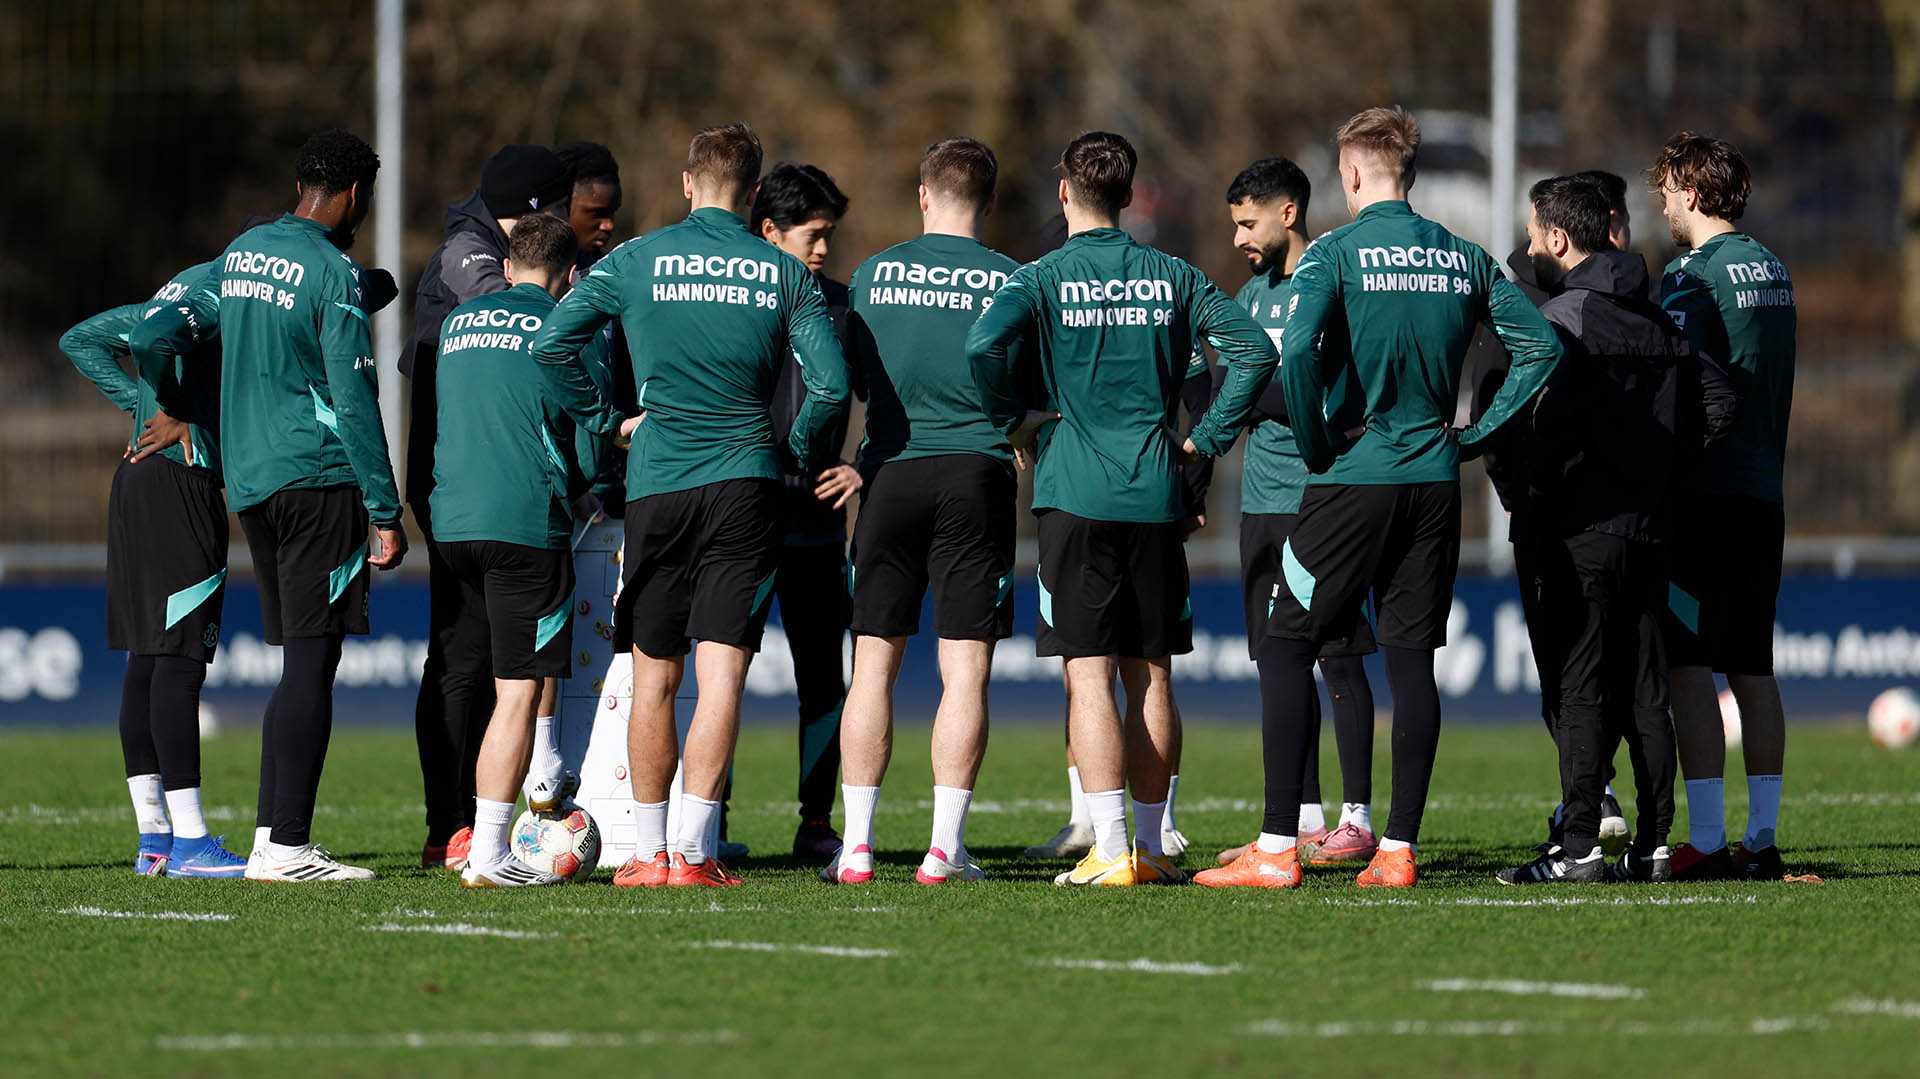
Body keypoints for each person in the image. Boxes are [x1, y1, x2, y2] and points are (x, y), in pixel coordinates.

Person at [1196, 106, 1560, 890]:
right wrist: (1476, 432)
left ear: (1353, 174)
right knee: (1410, 661)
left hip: (1354, 474)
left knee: (1287, 643)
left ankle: (1276, 846)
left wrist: (1323, 444)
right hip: (1434, 479)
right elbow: (1542, 347)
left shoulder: (1335, 254)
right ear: (1413, 174)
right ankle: (1397, 849)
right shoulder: (1463, 257)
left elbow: (1292, 354)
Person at [529, 123, 850, 887]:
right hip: (748, 483)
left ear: (686, 183)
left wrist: (608, 423)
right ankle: (698, 853)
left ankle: (647, 852)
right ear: (752, 194)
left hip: (661, 483)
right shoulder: (783, 274)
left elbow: (551, 347)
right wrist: (798, 451)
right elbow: (832, 386)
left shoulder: (636, 259)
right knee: (723, 674)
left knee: (655, 674)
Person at [968, 130, 1278, 887]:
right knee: (1152, 676)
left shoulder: (1039, 277)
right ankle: (1151, 843)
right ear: (1129, 195)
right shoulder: (1171, 272)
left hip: (1073, 491)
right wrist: (1203, 441)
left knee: (1087, 675)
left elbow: (982, 349)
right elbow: (1254, 353)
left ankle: (1109, 846)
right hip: (1153, 490)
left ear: (1066, 192)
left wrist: (1016, 422)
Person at [140, 129, 406, 882]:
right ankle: (286, 844)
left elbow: (161, 328)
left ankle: (271, 840)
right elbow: (356, 400)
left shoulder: (243, 252)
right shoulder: (330, 271)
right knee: (313, 665)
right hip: (318, 480)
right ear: (355, 195)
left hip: (251, 483)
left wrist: (179, 408)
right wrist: (385, 510)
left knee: (298, 661)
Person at [1492, 175, 1723, 884]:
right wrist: (1668, 463)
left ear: (1559, 240)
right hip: (1650, 528)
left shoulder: (1560, 320)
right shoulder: (1657, 318)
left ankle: (1581, 845)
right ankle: (1655, 845)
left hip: (1581, 530)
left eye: (1533, 234)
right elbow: (1719, 397)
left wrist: (1533, 477)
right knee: (1647, 688)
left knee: (1582, 686)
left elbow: (1528, 422)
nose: (1528, 246)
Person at [819, 137, 1022, 885]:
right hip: (975, 473)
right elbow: (1022, 388)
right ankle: (944, 848)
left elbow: (862, 386)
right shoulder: (1011, 278)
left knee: (872, 664)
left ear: (924, 193)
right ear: (991, 203)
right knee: (964, 670)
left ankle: (860, 845)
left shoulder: (872, 275)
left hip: (890, 476)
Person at [1200, 157, 1382, 870]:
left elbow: (1332, 394)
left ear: (1288, 211)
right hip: (1259, 502)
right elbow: (1227, 386)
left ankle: (1358, 817)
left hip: (1323, 499)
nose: (1240, 237)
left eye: (1248, 222)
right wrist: (1260, 389)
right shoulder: (1246, 298)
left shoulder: (1332, 279)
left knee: (1339, 654)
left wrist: (1260, 391)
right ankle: (1302, 818)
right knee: (1278, 662)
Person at [428, 213, 617, 887]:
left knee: (480, 678)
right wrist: (584, 484)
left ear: (506, 267)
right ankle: (488, 855)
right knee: (516, 691)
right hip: (522, 526)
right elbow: (591, 436)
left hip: (451, 522)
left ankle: (525, 789)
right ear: (571, 277)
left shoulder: (458, 323)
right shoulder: (569, 327)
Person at [400, 143, 575, 871]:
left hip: (461, 485)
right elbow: (507, 351)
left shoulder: (493, 252)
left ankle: (468, 823)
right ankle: (461, 824)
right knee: (475, 664)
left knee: (473, 661)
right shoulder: (469, 258)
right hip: (481, 484)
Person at [1472, 170, 1637, 856]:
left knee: (1618, 672)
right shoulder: (1523, 288)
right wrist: (1517, 489)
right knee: (1570, 671)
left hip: (1615, 516)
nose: (1622, 242)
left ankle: (1603, 810)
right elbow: (1491, 395)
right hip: (1553, 514)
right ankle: (1595, 797)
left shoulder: (1623, 290)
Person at [1648, 133, 1796, 882]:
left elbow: (1681, 383)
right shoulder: (1775, 269)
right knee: (1754, 667)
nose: (1663, 203)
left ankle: (1705, 837)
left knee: (1688, 666)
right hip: (1763, 492)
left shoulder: (1691, 274)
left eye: (1668, 190)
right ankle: (1761, 838)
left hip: (1702, 497)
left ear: (1694, 194)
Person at [63, 262, 243, 878]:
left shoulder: (179, 293)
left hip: (136, 484)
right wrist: (169, 407)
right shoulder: (222, 298)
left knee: (147, 658)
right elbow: (143, 345)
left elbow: (80, 339)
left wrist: (142, 409)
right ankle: (192, 842)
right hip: (178, 489)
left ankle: (156, 840)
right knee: (178, 662)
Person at [750, 162, 860, 858]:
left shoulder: (847, 308)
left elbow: (897, 398)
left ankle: (816, 822)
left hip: (818, 522)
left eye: (829, 236)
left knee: (824, 679)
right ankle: (708, 822)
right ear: (769, 231)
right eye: (811, 235)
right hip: (747, 514)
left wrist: (864, 462)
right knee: (720, 670)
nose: (823, 249)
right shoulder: (733, 303)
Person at [557, 139, 623, 266]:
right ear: (561, 206)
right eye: (597, 213)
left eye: (613, 212)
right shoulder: (515, 273)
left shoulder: (611, 275)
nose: (609, 225)